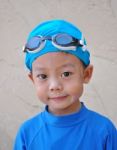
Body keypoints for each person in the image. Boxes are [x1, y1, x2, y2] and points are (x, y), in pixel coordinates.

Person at [13, 20, 117, 150]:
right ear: (33, 79)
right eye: (43, 76)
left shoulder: (104, 131)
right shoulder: (27, 134)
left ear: (86, 74)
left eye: (66, 74)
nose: (54, 86)